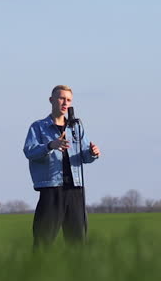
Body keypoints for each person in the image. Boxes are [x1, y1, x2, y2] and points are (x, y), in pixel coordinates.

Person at [23, 85, 102, 246]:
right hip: (51, 189)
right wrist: (50, 145)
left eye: (68, 100)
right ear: (51, 100)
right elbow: (29, 151)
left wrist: (93, 153)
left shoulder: (76, 127)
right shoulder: (38, 127)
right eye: (61, 98)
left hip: (75, 189)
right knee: (43, 240)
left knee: (77, 243)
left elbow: (84, 156)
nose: (65, 103)